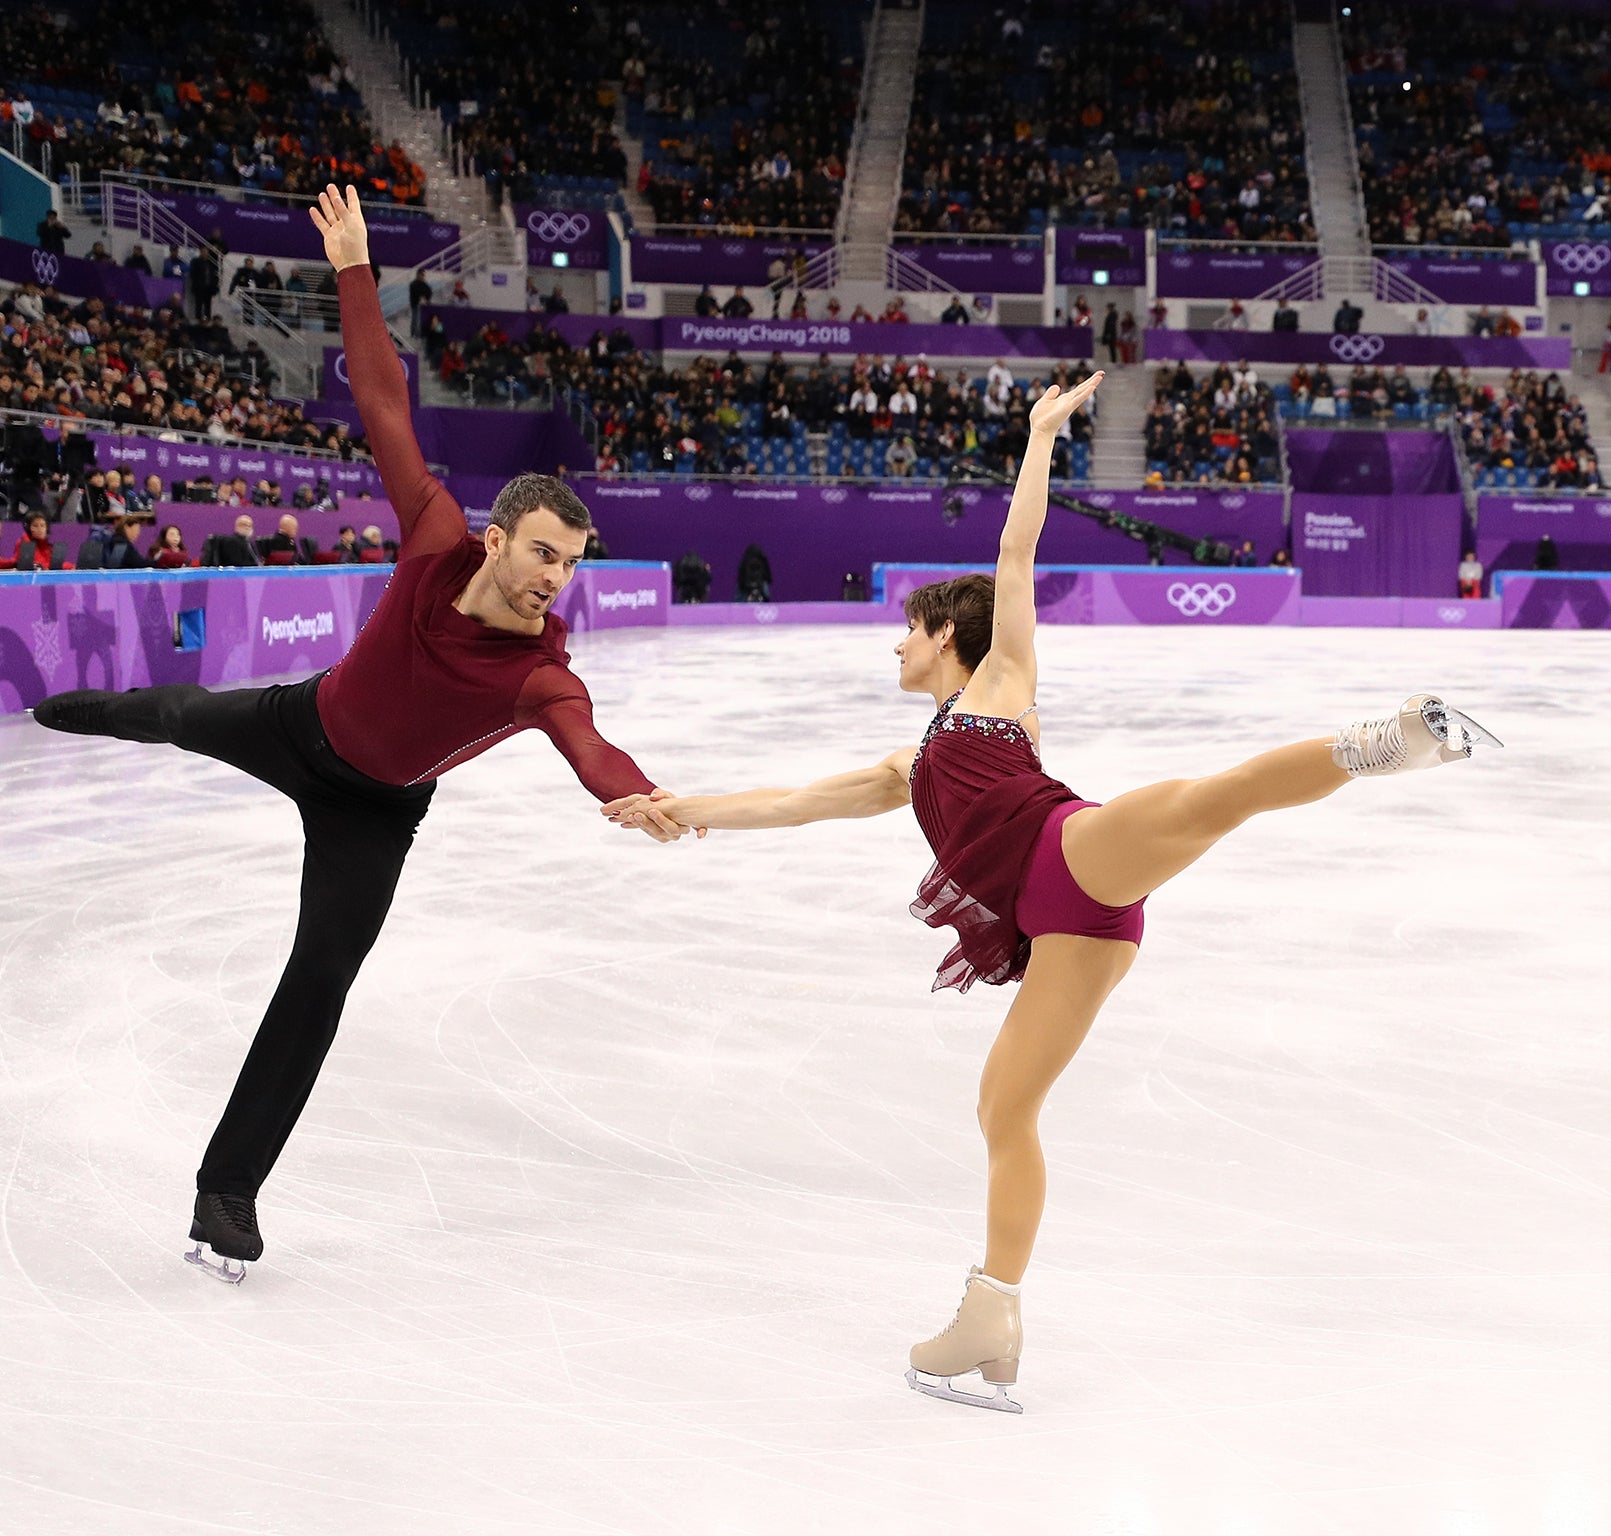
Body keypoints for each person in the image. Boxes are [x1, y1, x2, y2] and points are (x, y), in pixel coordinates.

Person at [602, 373, 1501, 1412]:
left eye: (906, 628)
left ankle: (1399, 738)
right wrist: (684, 806)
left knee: (1213, 797)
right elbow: (799, 801)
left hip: (1073, 855)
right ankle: (992, 1314)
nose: (893, 642)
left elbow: (1016, 553)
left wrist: (1037, 438)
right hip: (1071, 925)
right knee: (1002, 1106)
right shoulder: (912, 760)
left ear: (946, 637)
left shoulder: (1000, 688)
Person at [30, 184, 681, 1284]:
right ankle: (55, 709)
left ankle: (225, 1193)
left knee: (315, 984)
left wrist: (634, 790)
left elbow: (588, 745)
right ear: (495, 540)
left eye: (570, 562)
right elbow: (383, 402)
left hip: (374, 815)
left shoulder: (538, 672)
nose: (554, 580)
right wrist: (353, 268)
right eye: (541, 555)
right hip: (300, 721)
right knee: (177, 715)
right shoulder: (433, 534)